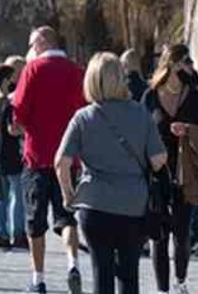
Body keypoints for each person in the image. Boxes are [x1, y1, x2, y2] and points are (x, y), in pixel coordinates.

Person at [57, 52, 169, 294]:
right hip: (133, 206)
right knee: (129, 274)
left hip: (94, 205)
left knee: (102, 271)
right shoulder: (140, 113)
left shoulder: (83, 117)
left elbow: (61, 162)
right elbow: (159, 160)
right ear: (120, 78)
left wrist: (68, 195)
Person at [12, 27, 85, 294]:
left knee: (35, 222)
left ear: (43, 42)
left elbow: (18, 113)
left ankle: (38, 278)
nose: (30, 49)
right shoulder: (75, 71)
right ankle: (72, 264)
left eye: (32, 43)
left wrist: (16, 127)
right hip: (68, 159)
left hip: (37, 157)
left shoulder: (32, 70)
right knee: (67, 218)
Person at [142, 44, 198, 294]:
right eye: (185, 61)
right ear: (171, 64)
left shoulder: (194, 96)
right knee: (159, 235)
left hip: (186, 172)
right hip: (157, 174)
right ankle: (162, 290)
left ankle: (180, 282)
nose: (189, 66)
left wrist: (188, 131)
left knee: (181, 232)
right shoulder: (150, 96)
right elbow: (140, 132)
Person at [0, 63, 26, 252]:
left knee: (2, 197)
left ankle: (2, 234)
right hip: (11, 153)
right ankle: (18, 233)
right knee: (17, 195)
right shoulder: (9, 103)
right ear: (6, 81)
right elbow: (12, 129)